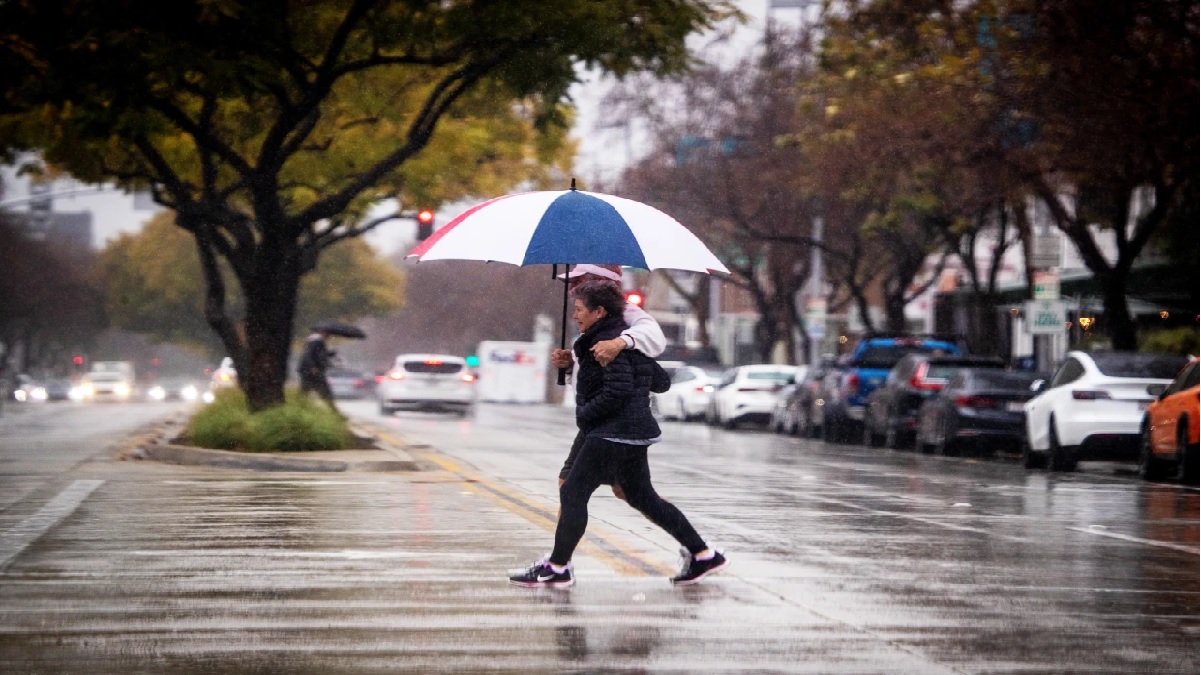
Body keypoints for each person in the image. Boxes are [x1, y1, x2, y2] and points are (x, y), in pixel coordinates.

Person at [509, 280, 727, 588]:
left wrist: (585, 413)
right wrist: (572, 365)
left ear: (599, 311)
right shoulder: (605, 340)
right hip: (631, 431)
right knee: (642, 498)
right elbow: (657, 380)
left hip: (612, 431)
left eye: (579, 310)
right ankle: (703, 553)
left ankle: (558, 566)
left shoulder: (610, 341)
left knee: (573, 493)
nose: (574, 316)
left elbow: (617, 391)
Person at [550, 264, 666, 501]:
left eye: (578, 281)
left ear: (599, 282)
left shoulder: (626, 311)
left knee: (571, 485)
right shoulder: (592, 322)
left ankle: (684, 533)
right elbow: (593, 372)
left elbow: (655, 338)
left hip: (611, 422)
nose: (572, 288)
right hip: (603, 421)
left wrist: (621, 343)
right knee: (627, 491)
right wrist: (570, 366)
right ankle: (683, 532)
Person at [297, 328, 342, 416]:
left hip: (309, 371)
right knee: (325, 392)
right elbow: (308, 355)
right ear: (323, 332)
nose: (329, 336)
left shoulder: (315, 341)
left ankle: (299, 411)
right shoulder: (316, 341)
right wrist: (312, 367)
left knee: (305, 392)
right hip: (312, 372)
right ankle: (335, 414)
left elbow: (319, 354)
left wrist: (331, 353)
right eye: (328, 334)